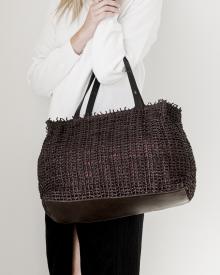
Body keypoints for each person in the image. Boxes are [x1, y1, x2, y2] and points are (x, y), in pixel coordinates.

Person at [27, 0, 163, 274]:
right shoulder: (64, 5)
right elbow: (38, 80)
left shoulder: (142, 3)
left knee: (111, 258)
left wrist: (106, 17)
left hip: (116, 158)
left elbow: (109, 69)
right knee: (65, 259)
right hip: (63, 157)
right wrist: (85, 30)